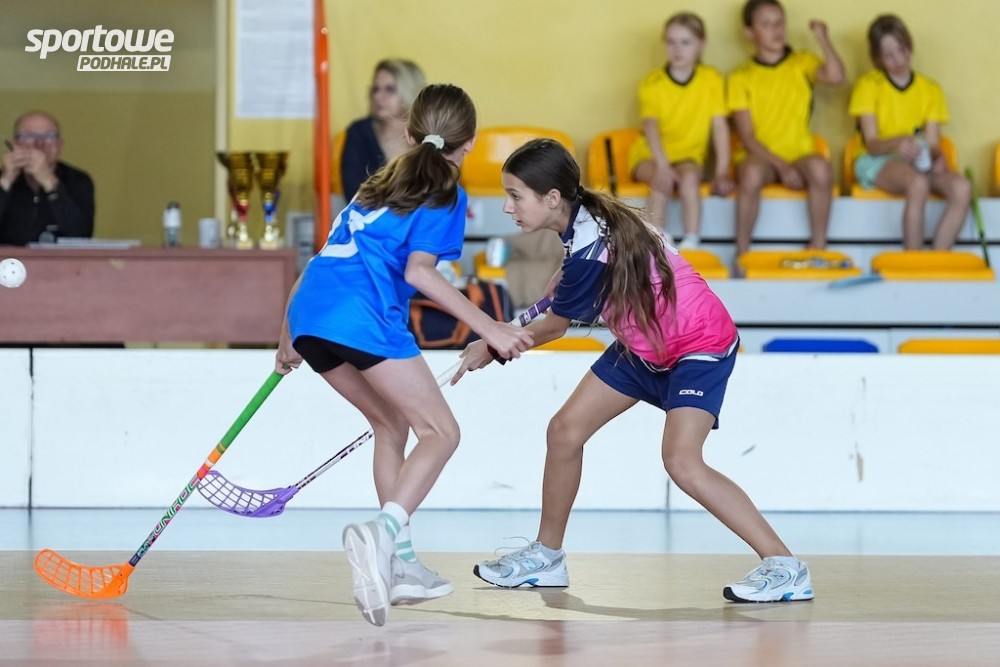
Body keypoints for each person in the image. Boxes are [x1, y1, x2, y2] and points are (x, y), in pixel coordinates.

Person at [454, 138, 813, 604]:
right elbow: (577, 281)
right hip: (644, 344)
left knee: (682, 461)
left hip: (697, 343)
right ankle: (547, 556)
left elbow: (555, 327)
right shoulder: (588, 220)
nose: (507, 207)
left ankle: (785, 566)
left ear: (552, 198)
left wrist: (492, 345)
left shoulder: (589, 248)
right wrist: (524, 313)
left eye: (515, 195)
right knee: (565, 431)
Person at [275, 83, 533, 627]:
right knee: (442, 432)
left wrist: (286, 335)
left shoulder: (376, 186)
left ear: (410, 133)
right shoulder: (446, 193)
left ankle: (401, 565)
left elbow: (321, 258)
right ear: (470, 143)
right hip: (362, 318)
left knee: (390, 424)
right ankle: (382, 533)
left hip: (310, 317)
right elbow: (420, 272)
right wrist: (490, 326)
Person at [727, 0, 845, 265]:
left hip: (798, 154)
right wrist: (782, 166)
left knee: (821, 167)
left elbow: (837, 77)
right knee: (751, 172)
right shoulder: (740, 77)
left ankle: (818, 248)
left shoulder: (802, 62)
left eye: (779, 22)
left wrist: (822, 38)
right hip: (761, 158)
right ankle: (742, 254)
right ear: (749, 32)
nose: (776, 29)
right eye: (766, 24)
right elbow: (747, 137)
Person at [848, 15, 970, 250]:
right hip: (875, 160)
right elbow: (871, 144)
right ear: (877, 58)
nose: (899, 60)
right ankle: (913, 259)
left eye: (902, 50)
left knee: (962, 187)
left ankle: (937, 259)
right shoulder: (868, 86)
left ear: (909, 46)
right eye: (888, 54)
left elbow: (932, 144)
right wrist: (898, 142)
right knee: (917, 183)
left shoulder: (930, 89)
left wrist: (937, 158)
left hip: (917, 161)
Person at [628, 12, 734, 247]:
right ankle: (654, 242)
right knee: (660, 182)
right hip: (651, 155)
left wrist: (722, 171)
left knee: (689, 179)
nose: (677, 49)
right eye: (671, 42)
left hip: (688, 156)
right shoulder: (652, 83)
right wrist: (663, 166)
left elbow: (719, 127)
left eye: (685, 42)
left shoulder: (711, 80)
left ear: (701, 45)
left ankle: (691, 241)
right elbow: (651, 127)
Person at [0, 110, 94, 245]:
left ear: (60, 145)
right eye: (28, 136)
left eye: (49, 136)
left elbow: (81, 236)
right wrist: (5, 181)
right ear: (14, 144)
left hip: (59, 258)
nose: (39, 143)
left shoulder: (78, 181)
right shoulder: (3, 178)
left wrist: (49, 182)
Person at [340, 59, 426, 202]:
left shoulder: (429, 133)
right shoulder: (359, 133)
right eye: (375, 89)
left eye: (390, 89)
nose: (378, 96)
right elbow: (354, 193)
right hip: (372, 216)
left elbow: (445, 189)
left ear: (410, 91)